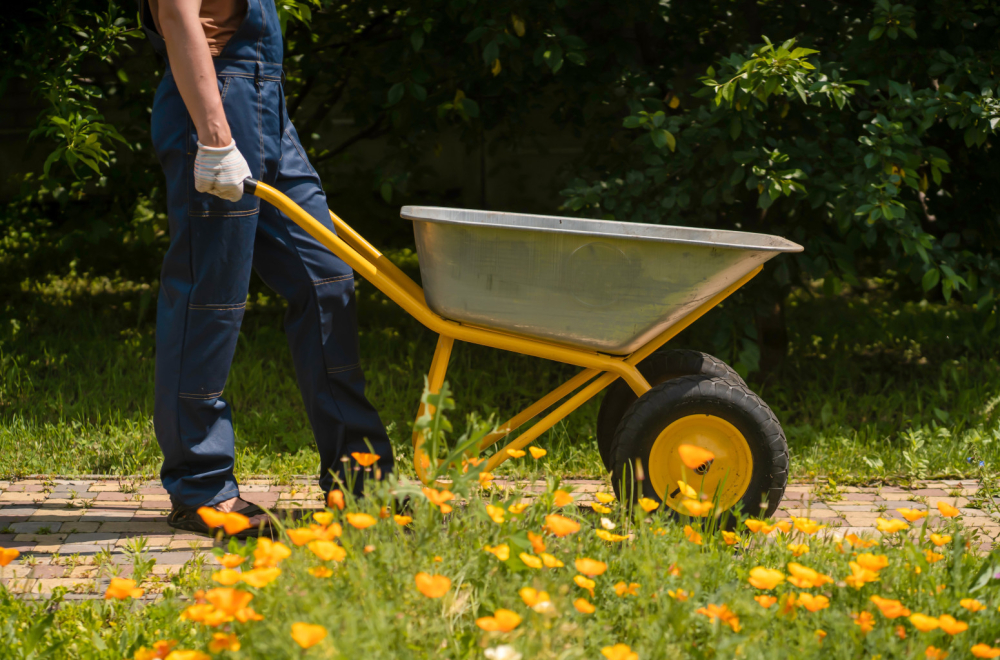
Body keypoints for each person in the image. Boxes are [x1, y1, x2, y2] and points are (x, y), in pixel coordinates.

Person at [138, 0, 393, 536]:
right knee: (210, 297)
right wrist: (215, 136)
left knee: (325, 280)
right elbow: (178, 14)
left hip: (265, 108)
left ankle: (361, 476)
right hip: (215, 107)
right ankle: (201, 488)